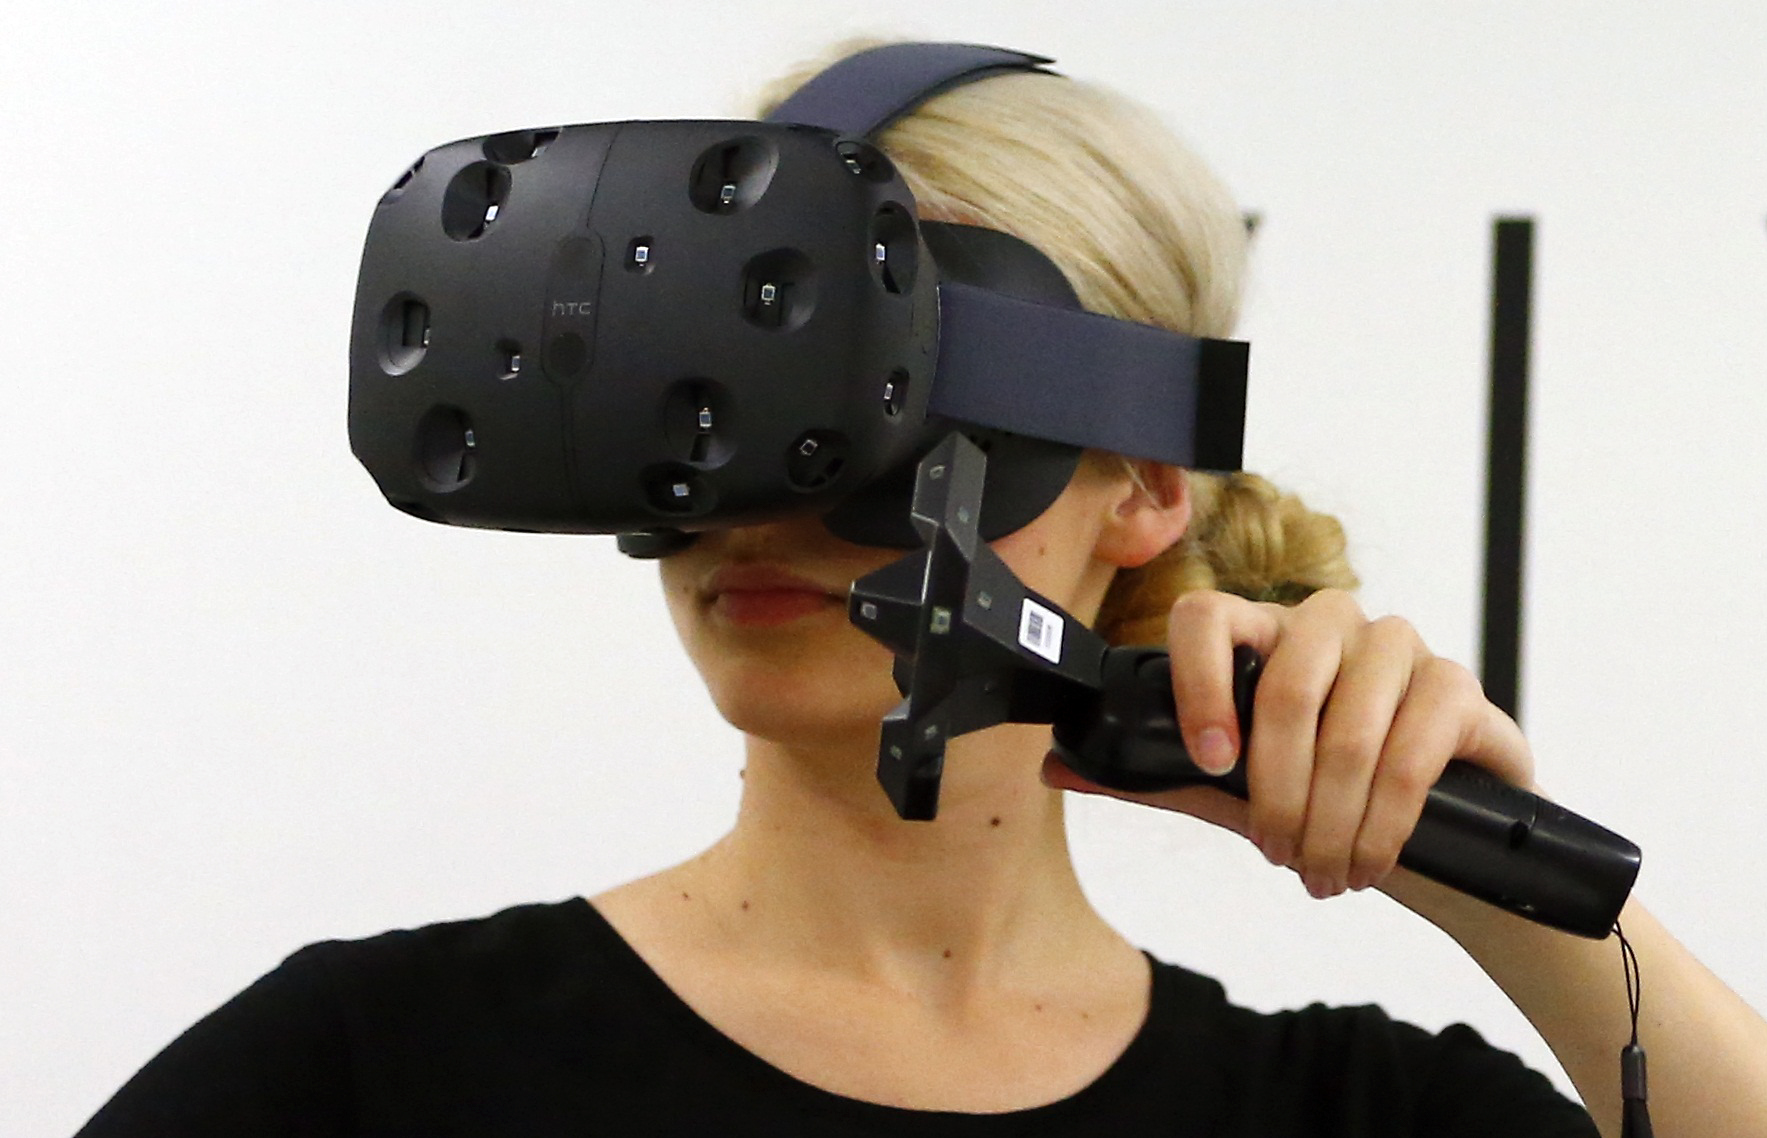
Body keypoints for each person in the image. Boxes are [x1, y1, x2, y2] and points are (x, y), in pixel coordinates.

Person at [77, 39, 1767, 1138]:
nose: (766, 504)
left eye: (872, 415)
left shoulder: (1343, 1115)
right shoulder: (373, 1075)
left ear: (1143, 477)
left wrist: (1515, 892)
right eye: (708, 401)